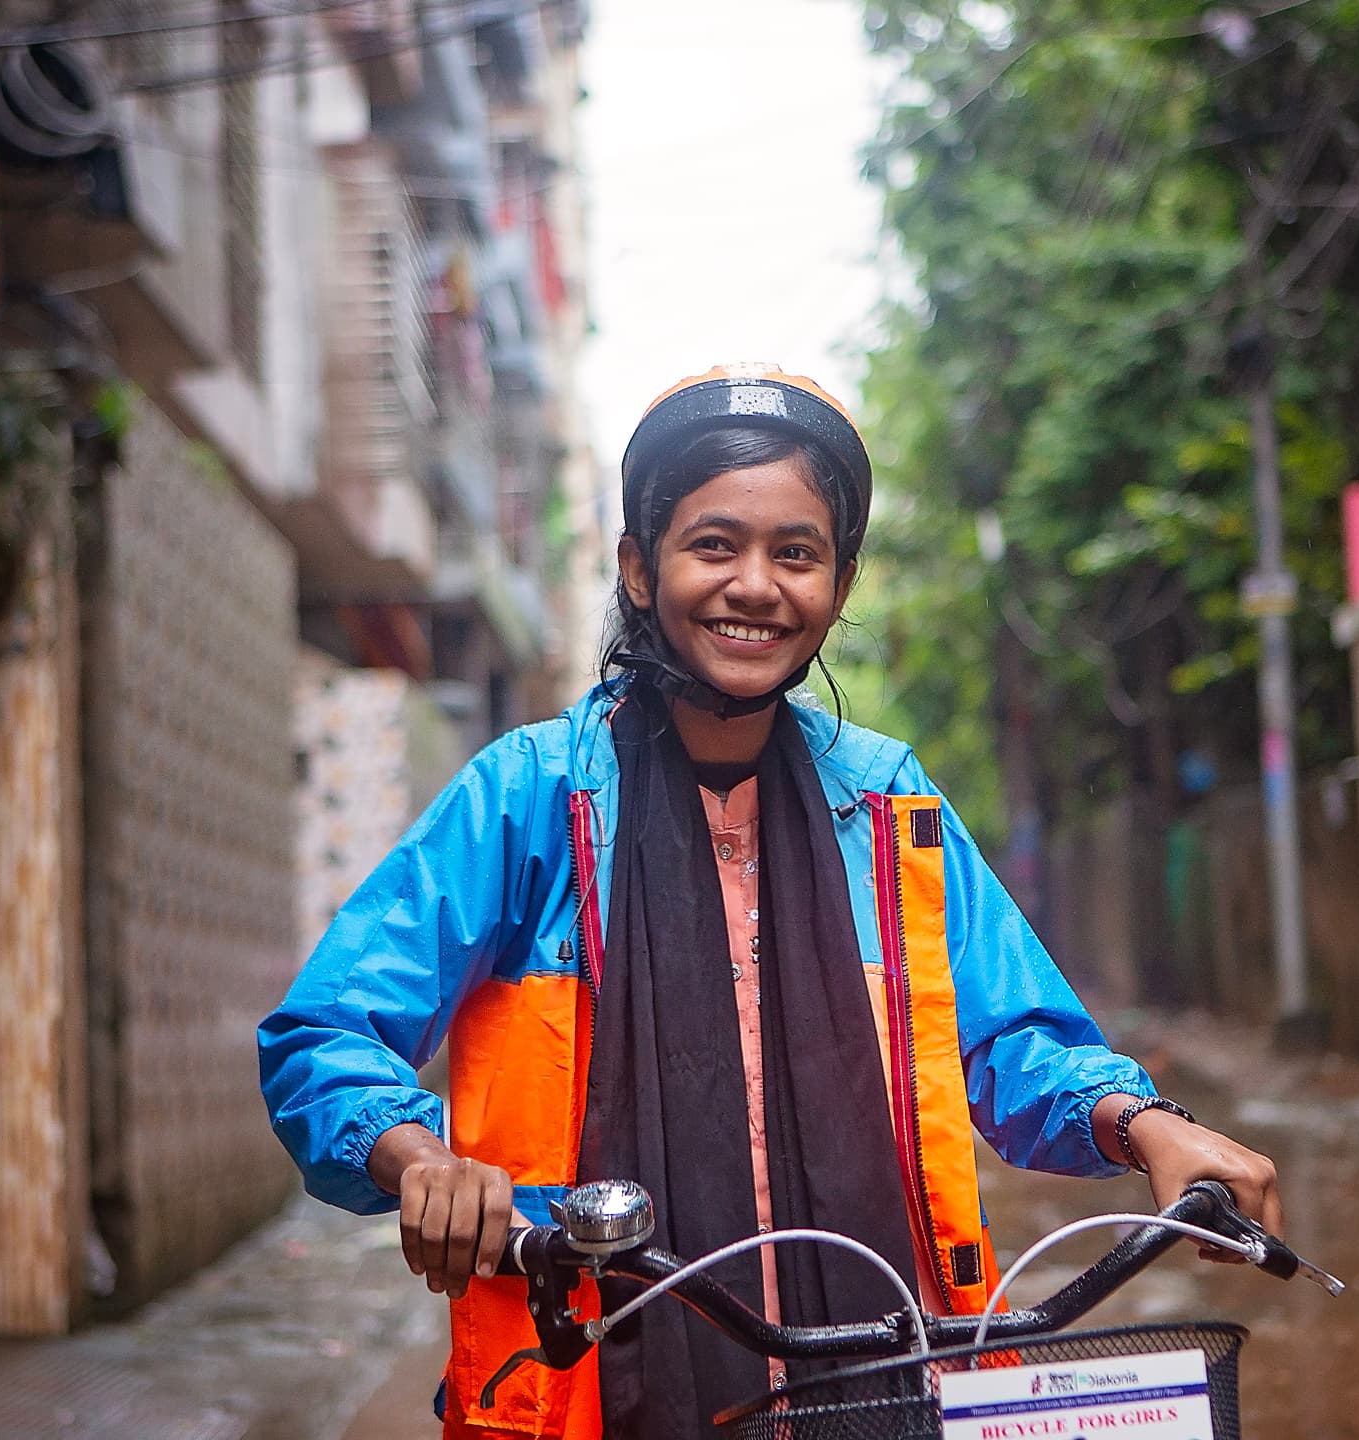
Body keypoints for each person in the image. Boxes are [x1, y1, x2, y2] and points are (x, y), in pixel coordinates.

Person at [258, 364, 1282, 1440]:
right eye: (714, 544)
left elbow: (1012, 1039)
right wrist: (420, 1159)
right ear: (639, 570)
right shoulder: (526, 798)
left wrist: (1146, 1124)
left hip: (889, 1368)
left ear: (838, 587)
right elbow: (323, 1035)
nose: (756, 585)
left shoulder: (890, 802)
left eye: (796, 553)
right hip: (590, 1380)